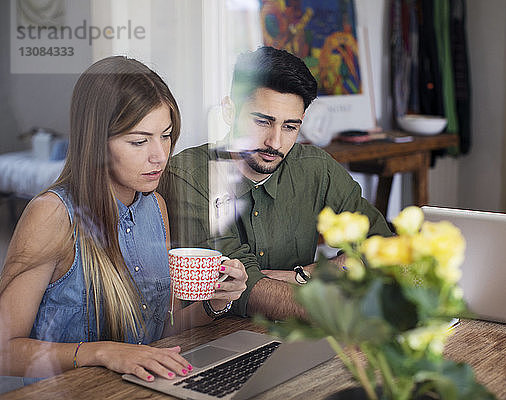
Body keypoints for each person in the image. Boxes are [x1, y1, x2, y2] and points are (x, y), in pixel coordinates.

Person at [0, 56, 247, 384]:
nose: (159, 155)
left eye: (166, 135)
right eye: (139, 141)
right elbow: (4, 350)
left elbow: (159, 329)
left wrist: (215, 301)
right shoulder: (53, 214)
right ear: (97, 141)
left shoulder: (155, 206)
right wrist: (101, 352)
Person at [161, 46, 392, 321]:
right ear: (229, 111)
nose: (275, 142)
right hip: (212, 341)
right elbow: (245, 291)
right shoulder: (189, 177)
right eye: (262, 122)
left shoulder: (316, 168)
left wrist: (306, 274)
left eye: (290, 126)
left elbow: (385, 248)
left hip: (300, 335)